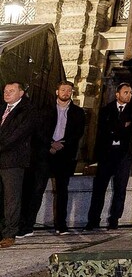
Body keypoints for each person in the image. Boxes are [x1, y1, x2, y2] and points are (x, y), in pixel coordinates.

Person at [18, 80, 85, 236]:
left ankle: (61, 226)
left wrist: (62, 144)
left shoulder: (78, 112)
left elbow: (78, 133)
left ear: (72, 92)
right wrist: (50, 144)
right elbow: (38, 131)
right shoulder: (44, 110)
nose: (65, 93)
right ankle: (28, 226)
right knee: (37, 189)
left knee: (62, 191)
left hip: (65, 155)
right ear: (57, 91)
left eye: (69, 90)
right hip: (45, 154)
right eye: (63, 90)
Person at [85, 82, 132, 231]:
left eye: (130, 93)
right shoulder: (106, 110)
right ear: (117, 94)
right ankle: (93, 220)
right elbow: (104, 129)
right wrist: (122, 127)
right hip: (107, 154)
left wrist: (115, 129)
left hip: (124, 155)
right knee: (99, 188)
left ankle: (114, 219)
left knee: (120, 189)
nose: (129, 95)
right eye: (126, 92)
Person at [0, 82, 35, 248]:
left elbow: (15, 136)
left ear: (21, 93)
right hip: (1, 159)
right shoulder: (2, 108)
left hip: (13, 161)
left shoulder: (27, 111)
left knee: (11, 199)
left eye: (11, 91)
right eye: (5, 90)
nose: (7, 93)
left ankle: (10, 233)